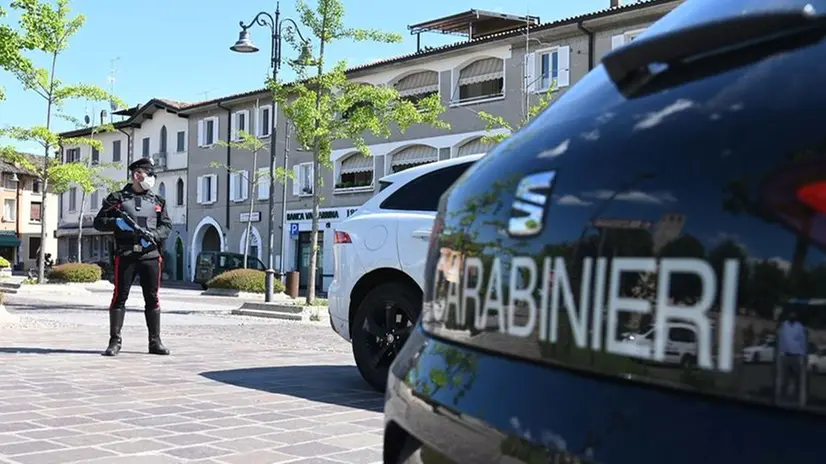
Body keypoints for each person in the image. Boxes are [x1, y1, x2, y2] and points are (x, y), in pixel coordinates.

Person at [93, 157, 172, 357]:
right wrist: (116, 223)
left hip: (150, 255)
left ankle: (155, 341)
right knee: (120, 297)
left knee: (152, 298)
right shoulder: (117, 198)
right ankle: (114, 341)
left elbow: (166, 226)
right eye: (149, 173)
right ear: (137, 174)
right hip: (126, 254)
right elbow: (99, 222)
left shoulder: (158, 201)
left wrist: (154, 235)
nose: (152, 178)